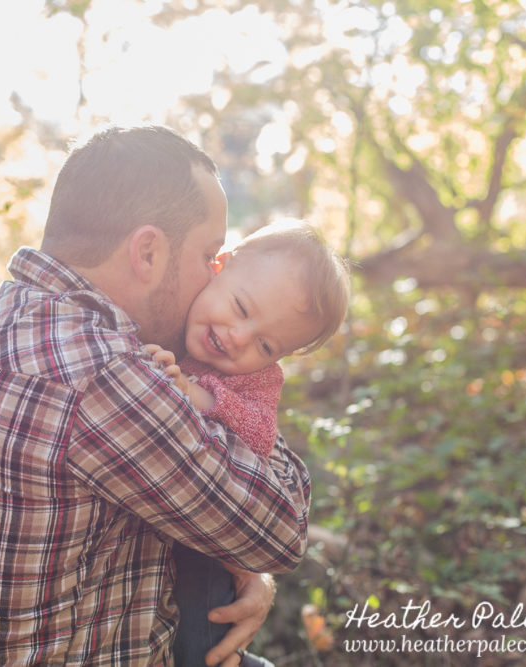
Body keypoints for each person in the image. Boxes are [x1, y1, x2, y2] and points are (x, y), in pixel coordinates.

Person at [0, 125, 312, 666]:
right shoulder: (99, 377)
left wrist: (238, 565)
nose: (215, 277)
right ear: (147, 252)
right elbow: (282, 530)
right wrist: (247, 386)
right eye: (210, 255)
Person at [145, 222, 351, 667]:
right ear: (217, 268)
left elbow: (260, 430)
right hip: (149, 532)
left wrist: (199, 395)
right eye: (240, 307)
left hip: (207, 542)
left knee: (200, 630)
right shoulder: (166, 319)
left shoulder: (258, 378)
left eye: (265, 343)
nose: (238, 336)